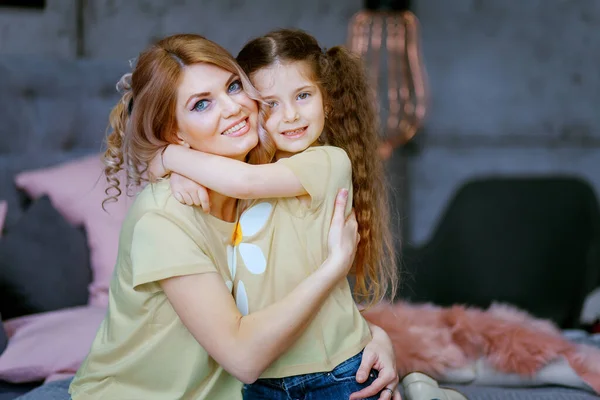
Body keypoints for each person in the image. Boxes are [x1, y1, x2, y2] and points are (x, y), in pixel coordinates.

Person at [9, 34, 400, 400]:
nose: (232, 108)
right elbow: (245, 358)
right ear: (176, 132)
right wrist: (334, 268)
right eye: (201, 104)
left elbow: (280, 283)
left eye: (233, 87)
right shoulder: (165, 216)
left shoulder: (267, 183)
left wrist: (368, 334)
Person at [153, 29, 399, 400]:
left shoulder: (327, 162)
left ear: (327, 102)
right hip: (262, 376)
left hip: (334, 371)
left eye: (303, 96)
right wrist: (172, 171)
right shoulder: (242, 170)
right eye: (270, 104)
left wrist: (168, 157)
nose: (291, 115)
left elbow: (246, 182)